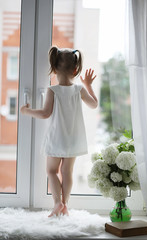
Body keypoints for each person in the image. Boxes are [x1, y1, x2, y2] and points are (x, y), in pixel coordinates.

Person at [20, 47, 98, 217]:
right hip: (74, 138)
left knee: (51, 171)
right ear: (76, 69)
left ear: (54, 68)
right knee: (67, 172)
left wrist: (27, 111)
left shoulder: (52, 90)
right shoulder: (79, 90)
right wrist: (88, 85)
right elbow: (94, 105)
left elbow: (45, 113)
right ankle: (66, 204)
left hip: (57, 137)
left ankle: (57, 203)